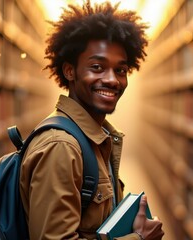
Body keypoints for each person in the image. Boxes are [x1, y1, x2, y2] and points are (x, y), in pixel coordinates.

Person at [19, 1, 165, 239]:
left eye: (120, 70)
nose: (112, 80)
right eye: (97, 67)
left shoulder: (95, 138)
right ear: (69, 71)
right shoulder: (61, 147)